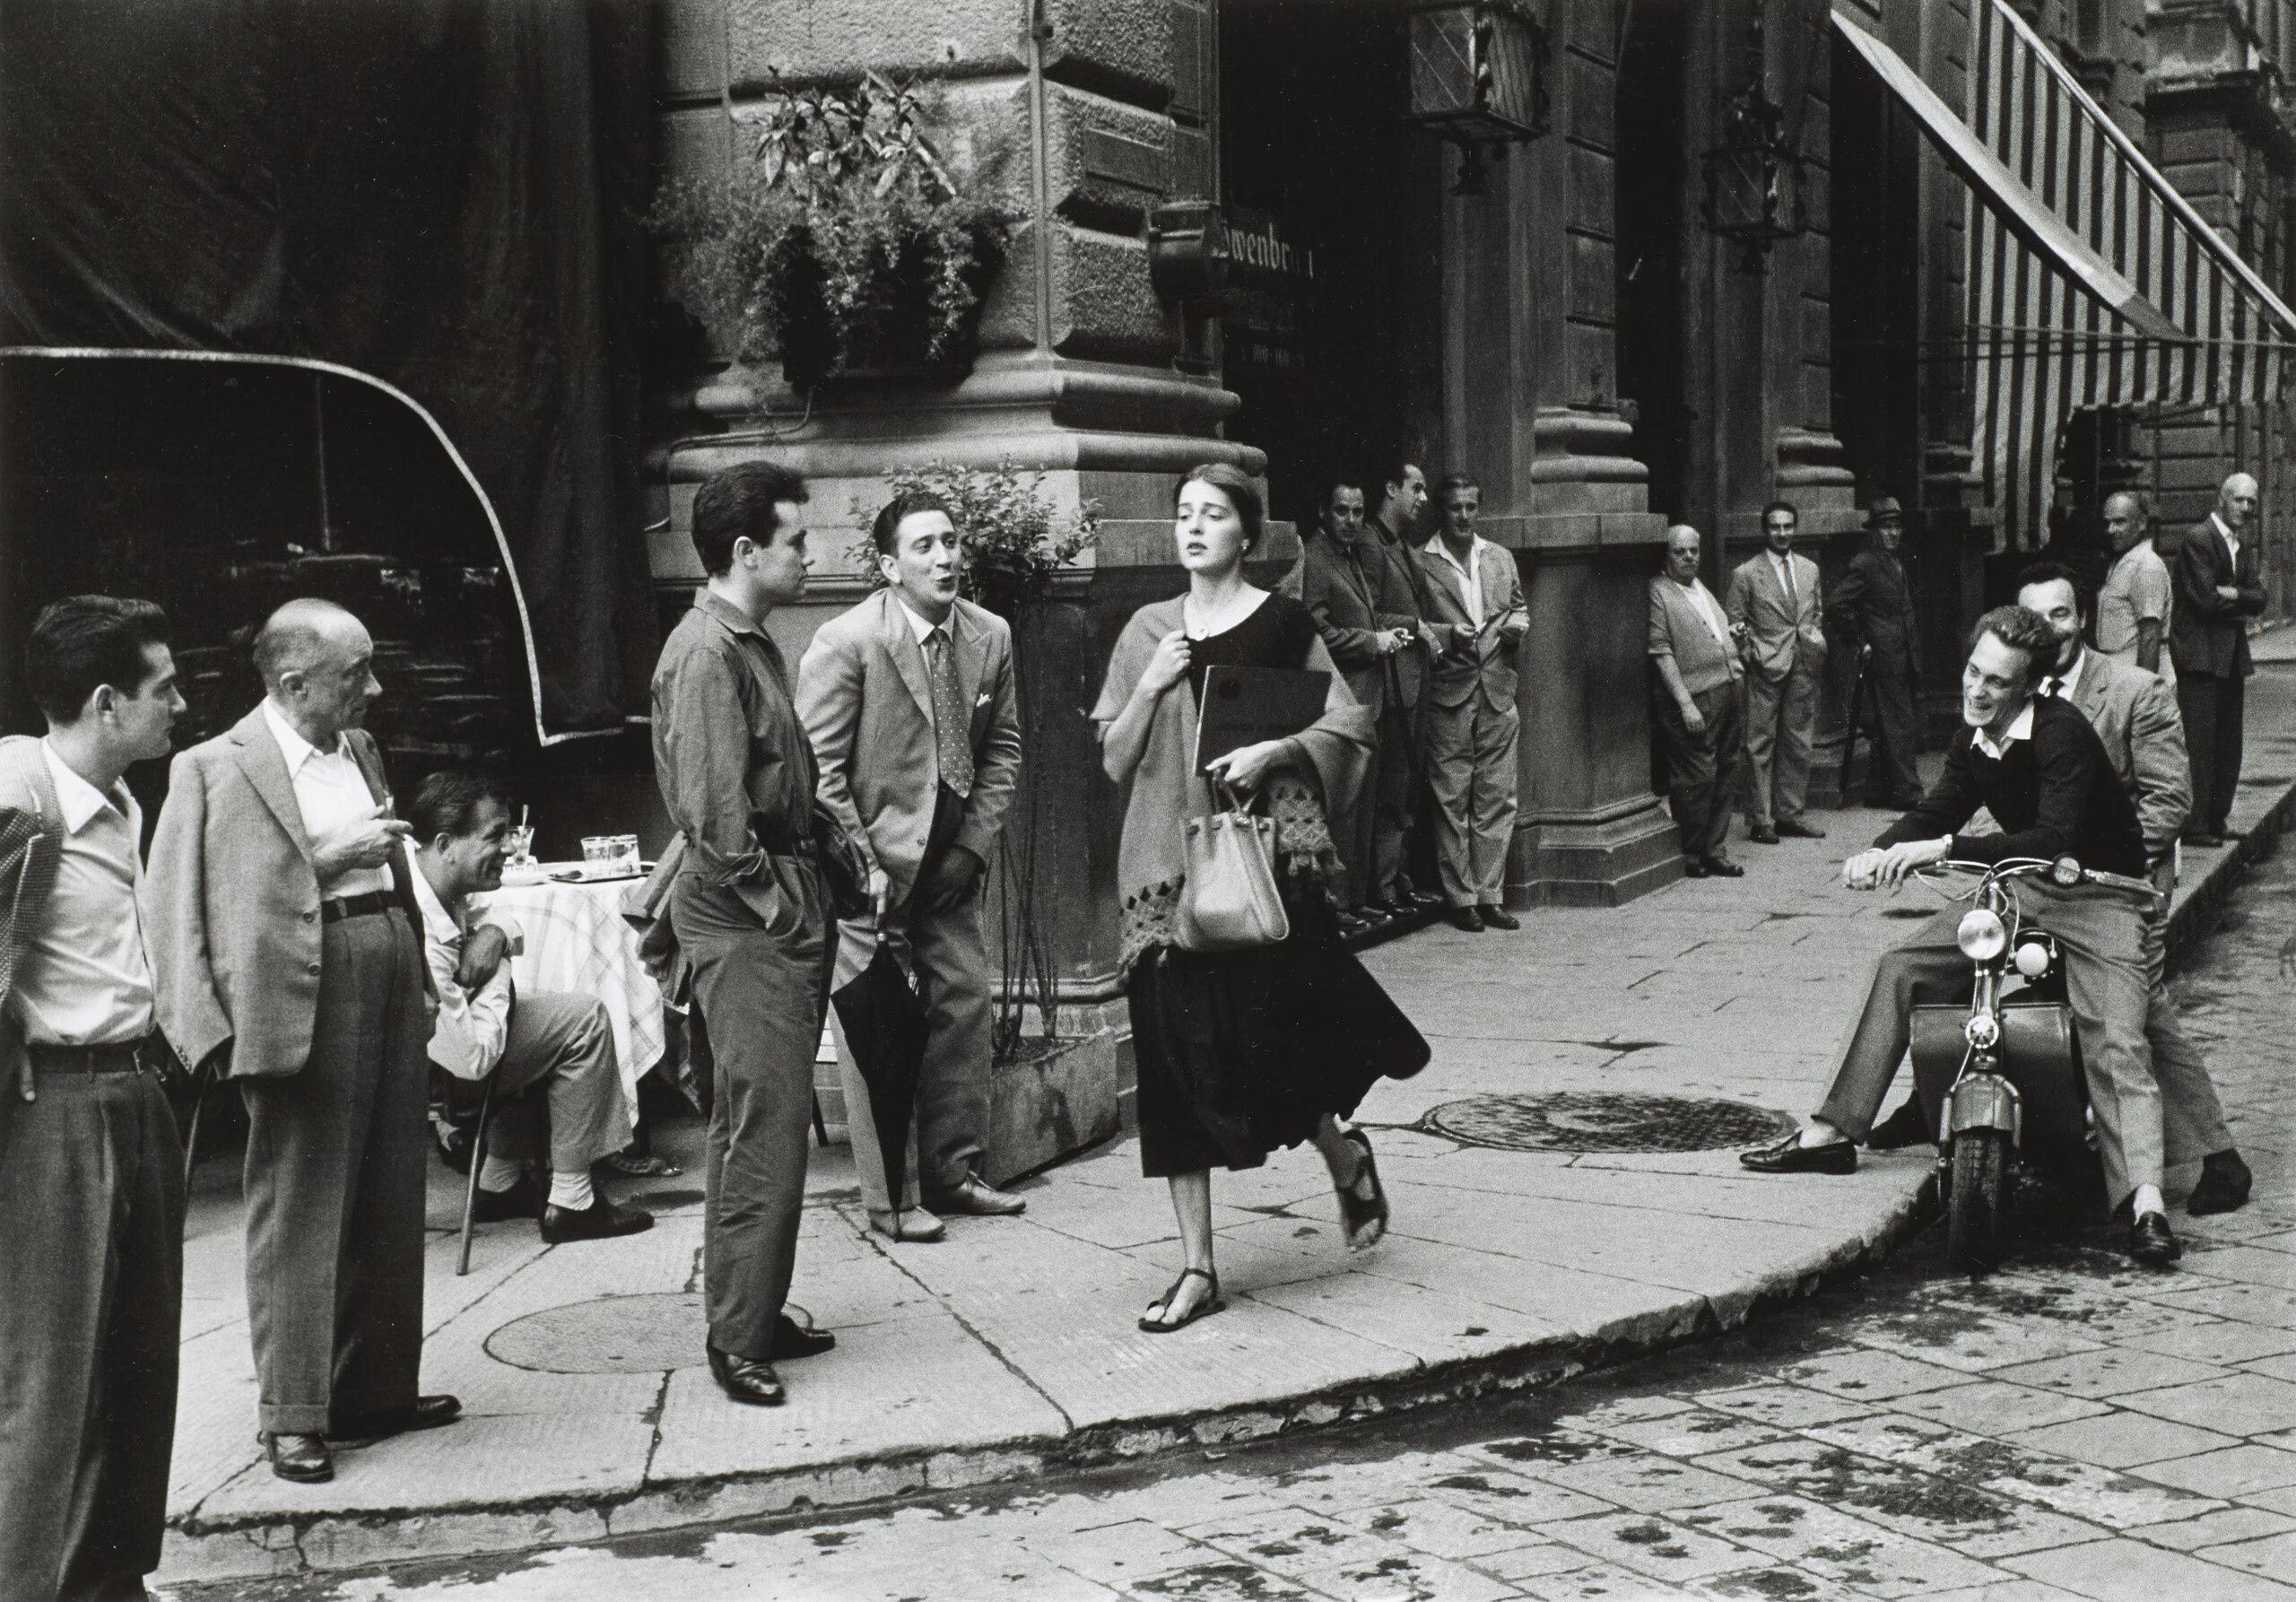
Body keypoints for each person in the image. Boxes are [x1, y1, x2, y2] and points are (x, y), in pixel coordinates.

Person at [1092, 463, 1429, 1332]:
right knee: (1173, 1073)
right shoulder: (1146, 631)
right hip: (1166, 877)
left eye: (1213, 515)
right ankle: (1197, 1266)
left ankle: (1339, 1150)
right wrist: (1150, 684)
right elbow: (1113, 758)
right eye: (1184, 515)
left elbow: (1348, 723)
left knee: (1273, 1050)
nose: (1193, 528)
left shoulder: (1282, 625)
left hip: (1265, 869)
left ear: (1247, 534)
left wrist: (1274, 750)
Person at [1740, 605, 2181, 1267]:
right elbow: (1938, 806)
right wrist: (1881, 851)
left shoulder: (2061, 733)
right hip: (2020, 890)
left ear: (2029, 688)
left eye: (1997, 683)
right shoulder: (1972, 738)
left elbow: (2051, 838)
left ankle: (2144, 1204)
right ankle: (1832, 1131)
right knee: (1902, 966)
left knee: (2118, 1039)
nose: (1978, 690)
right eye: (1974, 672)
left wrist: (1939, 849)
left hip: (2100, 895)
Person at [148, 598, 455, 1484]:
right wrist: (203, 1034)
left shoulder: (359, 749)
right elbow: (175, 906)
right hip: (294, 984)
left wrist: (424, 974)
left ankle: (376, 1390)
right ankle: (292, 1413)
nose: (376, 687)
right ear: (294, 682)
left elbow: (395, 870)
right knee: (299, 1204)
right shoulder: (213, 768)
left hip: (383, 961)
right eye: (356, 673)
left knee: (391, 1188)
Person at [0, 597, 187, 1602]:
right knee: (50, 1377)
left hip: (130, 1089)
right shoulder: (15, 786)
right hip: (52, 1107)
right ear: (108, 702)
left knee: (137, 1362)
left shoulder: (116, 802)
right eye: (165, 689)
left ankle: (111, 1583)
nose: (181, 706)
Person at [650, 461, 839, 1408]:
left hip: (772, 903)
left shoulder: (742, 642)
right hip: (749, 914)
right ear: (744, 551)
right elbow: (719, 820)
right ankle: (738, 1337)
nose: (810, 555)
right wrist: (782, 904)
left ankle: (753, 1308)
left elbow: (776, 777)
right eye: (797, 540)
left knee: (760, 1121)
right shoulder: (705, 655)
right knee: (763, 1126)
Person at [797, 489, 1027, 1242]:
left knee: (962, 1006)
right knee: (880, 1032)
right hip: (868, 873)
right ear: (891, 566)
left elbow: (1002, 749)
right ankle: (891, 1201)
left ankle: (954, 1174)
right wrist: (863, 868)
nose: (945, 556)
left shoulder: (989, 636)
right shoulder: (848, 640)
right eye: (924, 545)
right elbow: (819, 771)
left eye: (951, 541)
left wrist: (970, 848)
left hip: (949, 865)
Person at [2000, 566, 2250, 1215]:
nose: (2046, 629)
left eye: (2059, 615)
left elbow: (2171, 800)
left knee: (2140, 1016)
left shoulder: (2134, 689)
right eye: (2032, 619)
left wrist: (2094, 861)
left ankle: (2219, 1158)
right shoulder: (2016, 694)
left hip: (2123, 884)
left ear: (2080, 618)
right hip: (2050, 882)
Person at [404, 771, 651, 1243]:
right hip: (440, 1078)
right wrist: (496, 970)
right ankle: (573, 1201)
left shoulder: (437, 881)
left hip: (446, 1051)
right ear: (445, 844)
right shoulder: (425, 928)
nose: (511, 847)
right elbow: (473, 1061)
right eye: (495, 836)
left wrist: (495, 935)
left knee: (539, 1019)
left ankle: (500, 1181)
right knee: (584, 1021)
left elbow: (496, 919)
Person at [1295, 478, 1414, 933]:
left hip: (1369, 697)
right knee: (1343, 806)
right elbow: (1317, 632)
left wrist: (1392, 632)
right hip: (1343, 699)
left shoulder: (1350, 558)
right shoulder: (1318, 559)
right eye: (1341, 511)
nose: (1350, 521)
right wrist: (1372, 642)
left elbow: (1363, 615)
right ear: (1324, 512)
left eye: (1358, 512)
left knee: (1365, 804)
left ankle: (1356, 898)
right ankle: (1337, 905)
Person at [1414, 473, 1529, 930]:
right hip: (1449, 690)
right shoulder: (1421, 562)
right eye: (1455, 507)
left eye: (1470, 507)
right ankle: (1460, 898)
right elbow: (1414, 623)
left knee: (1497, 796)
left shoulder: (1499, 557)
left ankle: (1490, 894)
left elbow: (1518, 606)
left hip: (1498, 688)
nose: (1463, 516)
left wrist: (1519, 625)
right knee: (1451, 796)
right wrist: (1445, 635)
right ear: (1441, 511)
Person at [1361, 459, 1448, 915]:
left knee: (1407, 788)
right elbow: (1368, 616)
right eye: (1415, 488)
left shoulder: (1401, 545)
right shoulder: (1370, 543)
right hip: (1390, 684)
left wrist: (1448, 632)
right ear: (1391, 489)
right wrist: (1417, 625)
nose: (1423, 498)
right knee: (1392, 789)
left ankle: (1400, 879)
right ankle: (1386, 888)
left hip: (1413, 682)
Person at [2170, 472, 2268, 847]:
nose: (2246, 508)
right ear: (2221, 499)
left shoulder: (2240, 544)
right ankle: (2195, 825)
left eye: (2251, 502)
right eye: (2239, 500)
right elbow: (2206, 600)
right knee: (2200, 742)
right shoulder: (2199, 538)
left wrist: (2235, 595)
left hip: (2228, 656)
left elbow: (2261, 599)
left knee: (2228, 741)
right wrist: (2240, 601)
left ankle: (2215, 820)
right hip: (2199, 656)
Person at [1726, 501, 1828, 845]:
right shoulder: (1746, 573)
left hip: (1803, 664)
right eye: (1775, 527)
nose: (1782, 533)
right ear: (1765, 530)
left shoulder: (1809, 569)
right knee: (1759, 744)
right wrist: (1751, 656)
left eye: (1787, 526)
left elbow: (1815, 613)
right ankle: (1760, 820)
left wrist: (1814, 641)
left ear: (1795, 528)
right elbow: (1735, 623)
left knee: (1798, 741)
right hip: (1765, 667)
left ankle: (1790, 815)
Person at [1648, 524, 1746, 879]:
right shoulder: (1660, 590)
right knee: (1696, 776)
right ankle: (1690, 852)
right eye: (1680, 551)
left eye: (1694, 550)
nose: (1689, 557)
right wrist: (1685, 703)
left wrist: (1732, 637)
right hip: (1695, 697)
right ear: (1666, 556)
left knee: (1727, 768)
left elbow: (1707, 631)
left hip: (1730, 687)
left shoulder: (1699, 587)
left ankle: (1714, 850)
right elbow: (1660, 652)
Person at [1829, 496, 1926, 808]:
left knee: (1889, 724)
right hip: (1884, 656)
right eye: (1886, 527)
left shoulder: (1894, 561)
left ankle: (1878, 791)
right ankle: (1909, 793)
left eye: (1897, 527)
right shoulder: (1865, 563)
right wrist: (1860, 640)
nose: (1893, 533)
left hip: (1902, 653)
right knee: (1899, 725)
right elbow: (1837, 604)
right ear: (1874, 531)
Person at [2095, 490, 2173, 684]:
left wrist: (2143, 692)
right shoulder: (2123, 561)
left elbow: (2150, 636)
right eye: (2107, 523)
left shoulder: (2146, 565)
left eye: (2120, 522)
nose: (2111, 530)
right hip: (2118, 672)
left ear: (2142, 523)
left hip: (2134, 675)